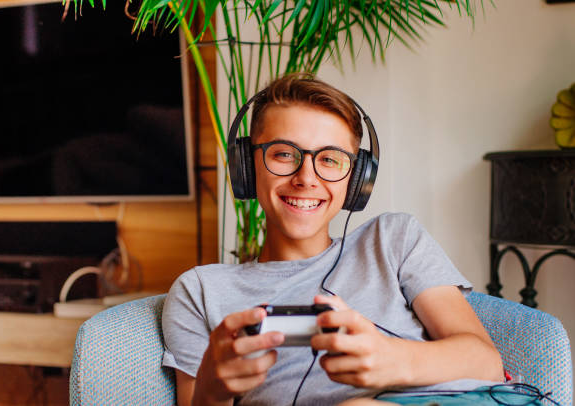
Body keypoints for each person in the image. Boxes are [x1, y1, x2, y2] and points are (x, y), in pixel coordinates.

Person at [162, 73, 511, 406]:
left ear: (357, 179)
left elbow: (486, 363)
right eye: (284, 154)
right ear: (247, 167)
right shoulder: (201, 291)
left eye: (329, 159)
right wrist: (212, 388)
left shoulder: (393, 239)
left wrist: (391, 359)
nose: (306, 178)